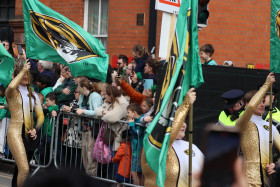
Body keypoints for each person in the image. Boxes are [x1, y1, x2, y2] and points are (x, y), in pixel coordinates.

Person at [141, 88, 204, 186]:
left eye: (184, 121)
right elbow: (168, 138)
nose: (183, 125)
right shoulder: (153, 146)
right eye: (179, 121)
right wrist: (185, 105)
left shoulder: (191, 146)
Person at [236, 72, 280, 186]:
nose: (261, 104)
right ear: (246, 104)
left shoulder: (269, 126)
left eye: (262, 101)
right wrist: (266, 85)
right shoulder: (243, 123)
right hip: (249, 179)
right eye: (258, 101)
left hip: (268, 181)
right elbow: (251, 107)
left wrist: (277, 165)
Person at [5, 62, 44, 187]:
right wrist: (22, 70)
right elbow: (10, 87)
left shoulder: (32, 93)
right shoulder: (12, 93)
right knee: (24, 169)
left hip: (29, 134)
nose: (26, 77)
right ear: (17, 76)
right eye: (23, 75)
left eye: (28, 74)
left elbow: (40, 115)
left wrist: (35, 129)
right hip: (15, 133)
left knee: (21, 169)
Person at [75, 79, 103, 176]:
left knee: (90, 154)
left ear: (83, 88)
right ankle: (87, 177)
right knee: (84, 154)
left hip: (92, 129)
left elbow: (97, 113)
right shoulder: (82, 96)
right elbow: (79, 107)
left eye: (78, 86)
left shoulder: (95, 96)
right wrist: (72, 109)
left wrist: (83, 112)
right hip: (84, 128)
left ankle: (92, 177)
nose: (76, 88)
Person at [127, 103, 145, 185]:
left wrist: (131, 124)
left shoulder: (141, 120)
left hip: (139, 150)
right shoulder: (137, 120)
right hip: (136, 150)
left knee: (134, 172)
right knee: (138, 173)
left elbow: (136, 134)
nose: (127, 115)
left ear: (134, 113)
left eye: (128, 112)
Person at [39, 92, 59, 164]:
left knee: (48, 152)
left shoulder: (55, 107)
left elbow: (45, 111)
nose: (45, 102)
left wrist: (41, 108)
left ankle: (46, 166)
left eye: (47, 101)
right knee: (43, 151)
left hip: (50, 134)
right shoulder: (49, 107)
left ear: (53, 101)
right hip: (45, 133)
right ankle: (43, 165)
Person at [0, 83, 10, 158]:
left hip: (6, 118)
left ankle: (1, 151)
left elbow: (4, 109)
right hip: (3, 118)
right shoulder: (3, 97)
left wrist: (0, 117)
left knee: (2, 134)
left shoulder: (8, 97)